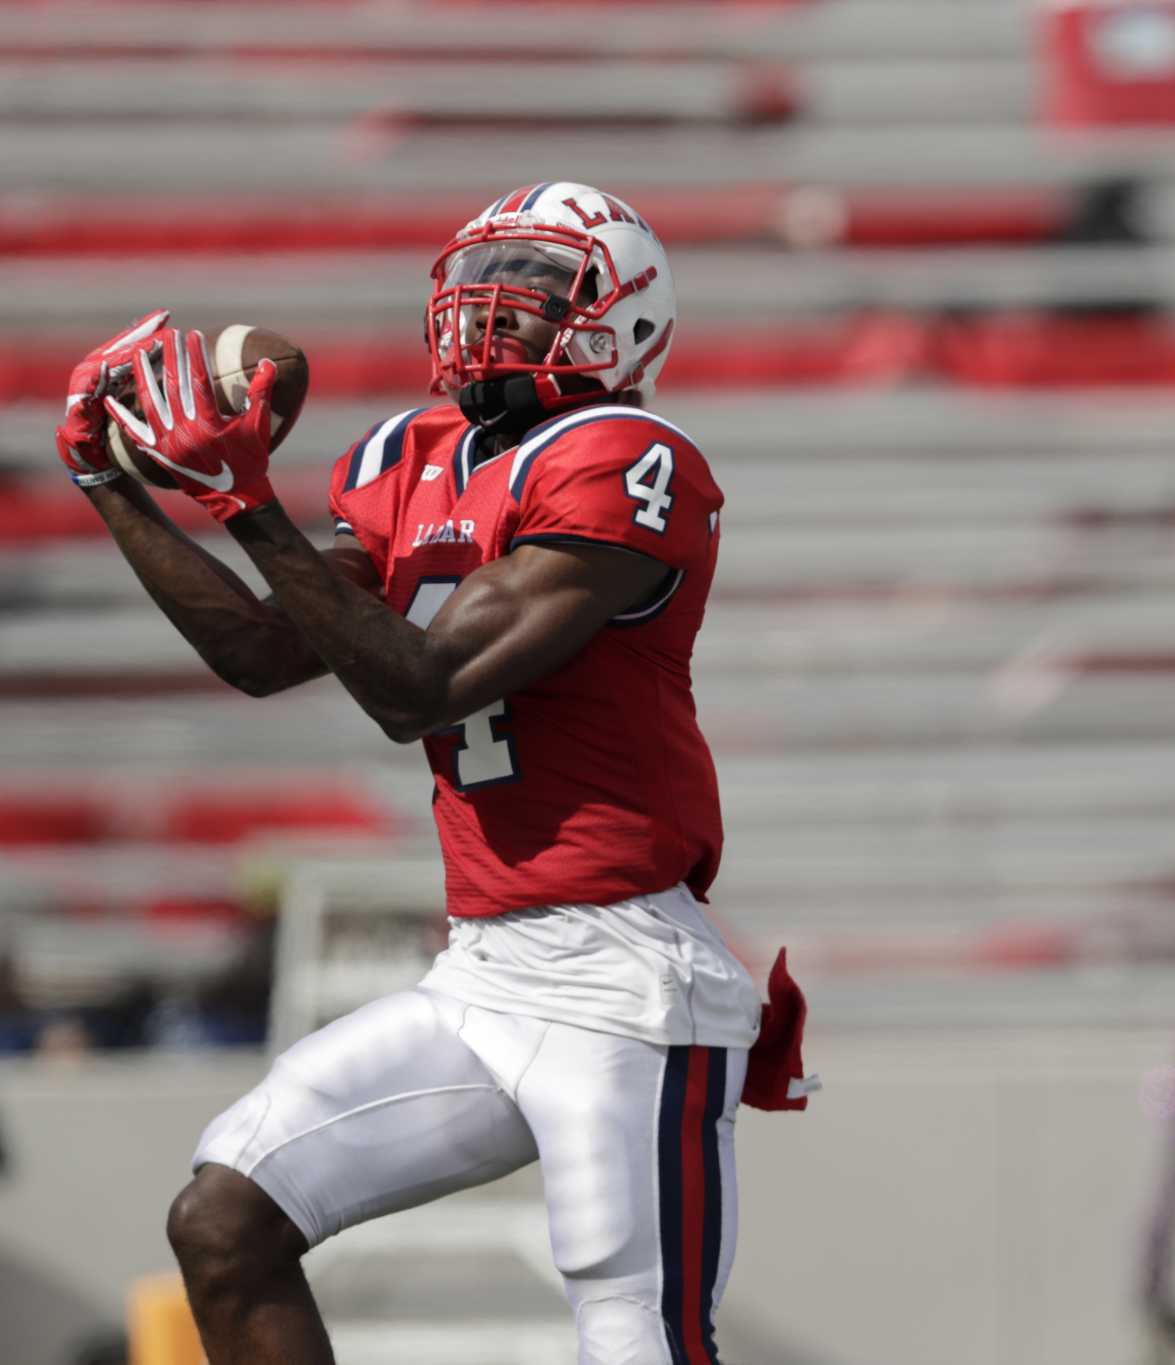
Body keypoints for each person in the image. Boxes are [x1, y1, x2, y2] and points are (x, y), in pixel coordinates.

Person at [52, 182, 813, 1365]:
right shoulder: (414, 454)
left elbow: (418, 690)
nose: (492, 305)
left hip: (626, 982)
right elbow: (263, 651)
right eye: (485, 274)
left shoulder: (628, 454)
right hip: (485, 973)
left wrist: (248, 499)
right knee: (226, 1218)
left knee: (639, 1340)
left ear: (627, 313)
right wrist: (113, 483)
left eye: (541, 283)